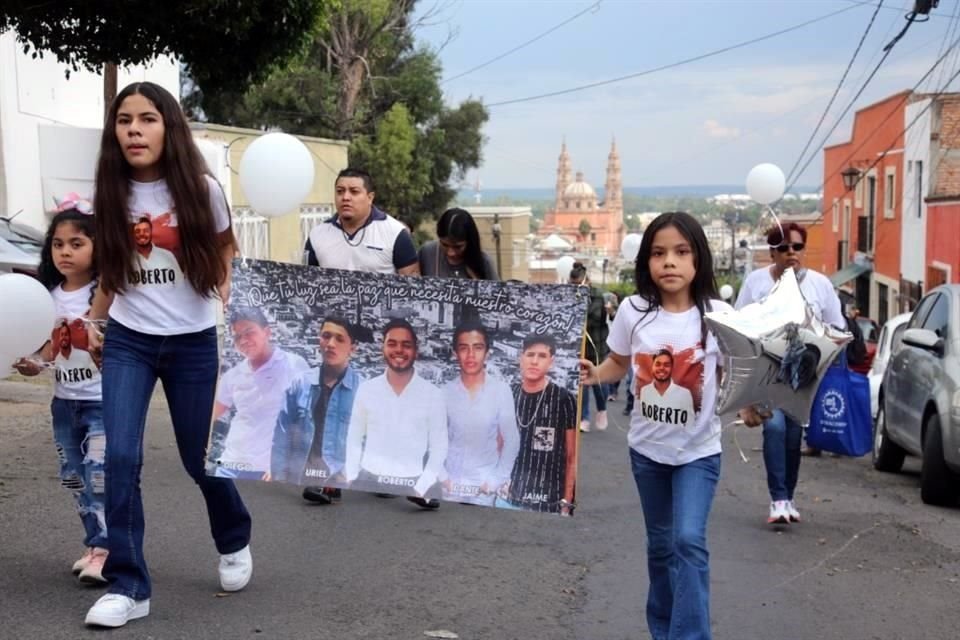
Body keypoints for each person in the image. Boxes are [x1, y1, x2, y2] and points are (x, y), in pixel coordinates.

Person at [83, 82, 253, 628]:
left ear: (168, 127)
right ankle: (129, 586)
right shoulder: (109, 193)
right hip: (130, 341)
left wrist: (231, 294)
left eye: (148, 118)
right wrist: (92, 322)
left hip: (193, 341)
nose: (134, 129)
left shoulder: (201, 190)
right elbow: (111, 271)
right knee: (121, 458)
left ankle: (233, 537)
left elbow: (225, 249)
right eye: (125, 120)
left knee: (198, 457)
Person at [579, 211, 734, 640]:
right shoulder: (634, 311)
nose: (670, 262)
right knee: (662, 547)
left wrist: (754, 405)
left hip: (699, 454)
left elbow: (733, 375)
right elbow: (619, 363)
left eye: (681, 252)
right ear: (646, 261)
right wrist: (594, 374)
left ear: (698, 259)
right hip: (647, 454)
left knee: (688, 541)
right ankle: (664, 629)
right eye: (659, 253)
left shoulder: (717, 315)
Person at [300, 167, 421, 506]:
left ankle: (397, 475)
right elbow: (307, 288)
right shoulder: (319, 235)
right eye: (340, 191)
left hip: (380, 339)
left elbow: (414, 289)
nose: (346, 197)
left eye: (354, 191)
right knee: (330, 406)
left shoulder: (395, 234)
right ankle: (328, 478)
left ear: (370, 196)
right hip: (338, 338)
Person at [15, 205, 109, 585]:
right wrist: (34, 362)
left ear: (97, 247)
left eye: (76, 243)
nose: (65, 252)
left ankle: (108, 548)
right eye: (57, 244)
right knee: (73, 475)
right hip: (64, 402)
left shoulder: (104, 292)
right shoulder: (48, 295)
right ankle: (94, 543)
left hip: (101, 401)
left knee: (99, 472)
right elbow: (49, 348)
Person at [735, 222, 845, 526]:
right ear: (772, 253)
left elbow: (837, 328)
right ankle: (778, 499)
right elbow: (739, 327)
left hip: (804, 377)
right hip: (766, 373)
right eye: (783, 248)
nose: (791, 253)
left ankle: (788, 498)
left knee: (794, 436)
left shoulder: (820, 285)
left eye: (797, 247)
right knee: (775, 429)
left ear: (803, 250)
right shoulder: (756, 283)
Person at [343, 319, 448, 501]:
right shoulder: (367, 389)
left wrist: (421, 487)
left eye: (406, 345)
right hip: (368, 480)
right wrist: (352, 476)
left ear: (416, 351)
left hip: (412, 484)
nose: (399, 350)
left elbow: (439, 447)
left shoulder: (433, 394)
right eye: (392, 344)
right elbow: (354, 437)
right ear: (382, 349)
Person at [211, 308, 310, 479]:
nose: (243, 340)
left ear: (267, 332)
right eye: (237, 336)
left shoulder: (293, 365)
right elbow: (211, 414)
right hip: (231, 462)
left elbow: (306, 420)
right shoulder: (233, 375)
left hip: (269, 467)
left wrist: (285, 464)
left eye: (249, 332)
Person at [271, 317, 361, 488]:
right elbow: (282, 434)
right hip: (301, 477)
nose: (331, 344)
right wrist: (280, 476)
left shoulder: (363, 391)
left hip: (342, 481)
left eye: (340, 339)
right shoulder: (300, 384)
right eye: (326, 336)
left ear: (353, 348)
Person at [443, 320, 519, 506]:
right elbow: (434, 441)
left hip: (484, 489)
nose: (470, 355)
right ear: (455, 354)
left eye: (477, 348)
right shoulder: (444, 393)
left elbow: (512, 440)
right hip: (450, 488)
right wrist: (443, 478)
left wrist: (495, 481)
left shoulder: (501, 391)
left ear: (487, 353)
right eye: (463, 348)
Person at [500, 334, 578, 515]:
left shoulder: (563, 399)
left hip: (548, 501)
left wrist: (566, 502)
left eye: (542, 356)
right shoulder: (508, 394)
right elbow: (499, 445)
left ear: (551, 361)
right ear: (521, 358)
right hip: (507, 497)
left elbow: (571, 456)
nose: (534, 361)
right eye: (530, 354)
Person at [569, 261, 609, 432]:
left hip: (597, 347)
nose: (576, 288)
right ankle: (584, 418)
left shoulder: (597, 296)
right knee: (582, 382)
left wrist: (577, 309)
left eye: (578, 285)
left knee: (599, 383)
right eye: (573, 285)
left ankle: (602, 409)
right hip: (580, 347)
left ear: (587, 281)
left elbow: (592, 318)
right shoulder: (571, 295)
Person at [418, 207, 498, 279]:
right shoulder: (426, 253)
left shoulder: (484, 262)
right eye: (444, 245)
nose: (451, 253)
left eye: (457, 247)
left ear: (469, 242)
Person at [637, 349, 696, 430]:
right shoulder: (645, 391)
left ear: (672, 368)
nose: (662, 368)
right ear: (652, 367)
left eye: (666, 365)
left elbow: (690, 425)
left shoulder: (684, 394)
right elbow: (643, 421)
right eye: (658, 364)